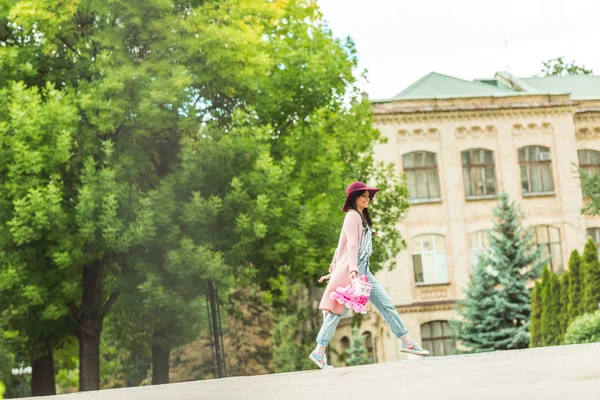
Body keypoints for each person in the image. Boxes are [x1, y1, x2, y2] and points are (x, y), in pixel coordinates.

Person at [309, 181, 429, 369]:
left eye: (368, 196)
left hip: (364, 271)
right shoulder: (352, 217)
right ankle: (319, 352)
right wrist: (353, 271)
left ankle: (407, 342)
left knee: (385, 305)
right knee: (336, 312)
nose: (367, 198)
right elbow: (352, 245)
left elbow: (343, 244)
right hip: (354, 271)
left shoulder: (360, 217)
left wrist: (343, 265)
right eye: (363, 195)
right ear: (354, 198)